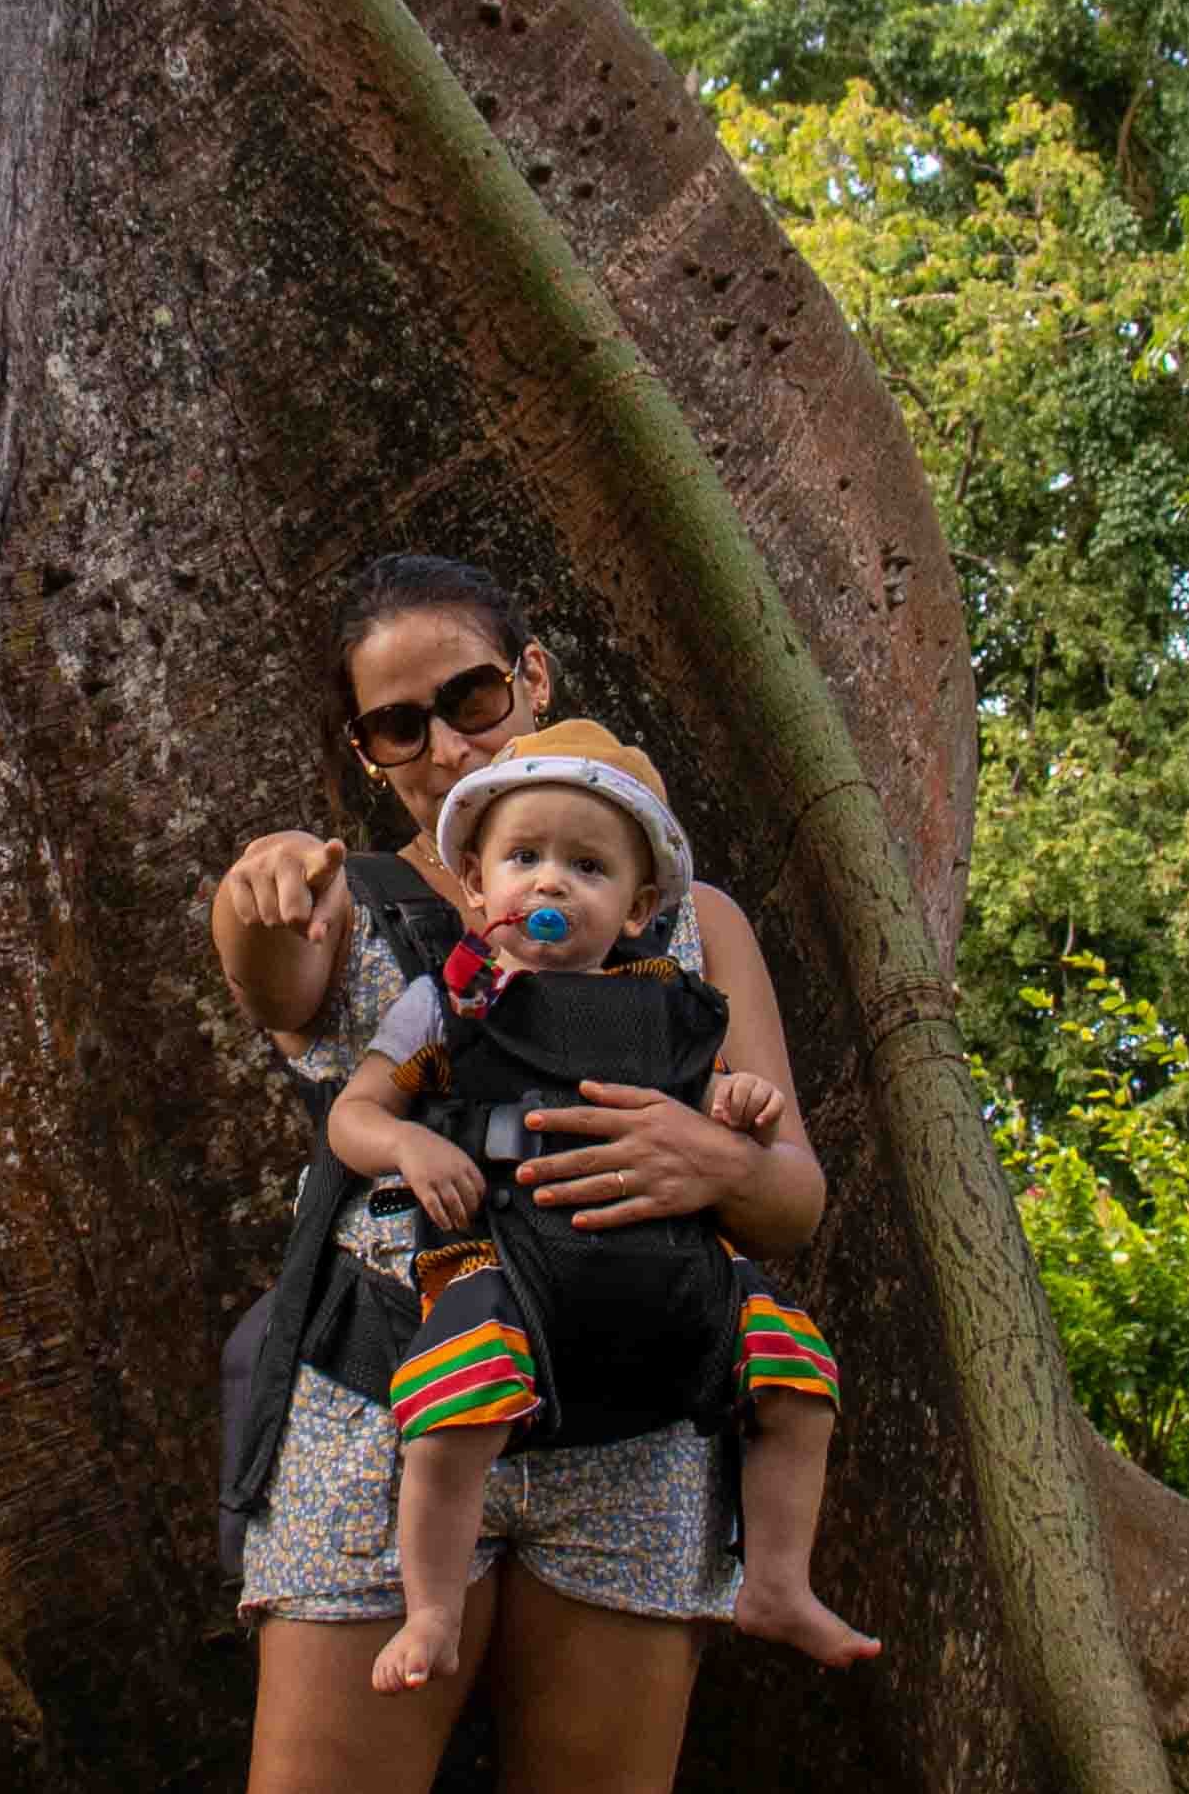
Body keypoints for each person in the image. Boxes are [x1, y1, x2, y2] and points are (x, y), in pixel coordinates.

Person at [152, 553, 870, 1794]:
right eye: (396, 725)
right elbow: (285, 997)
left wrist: (718, 1159)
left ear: (534, 672)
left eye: (467, 696)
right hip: (391, 1406)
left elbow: (796, 1198)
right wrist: (254, 912)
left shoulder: (687, 910)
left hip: (628, 1425)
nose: (440, 741)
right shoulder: (391, 909)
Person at [326, 715, 863, 1697]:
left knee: (796, 1372)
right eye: (524, 859)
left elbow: (721, 1105)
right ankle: (432, 1609)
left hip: (669, 1269)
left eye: (587, 867)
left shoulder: (673, 1005)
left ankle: (777, 1581)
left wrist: (740, 1107)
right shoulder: (450, 1002)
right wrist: (408, 1144)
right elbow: (353, 1116)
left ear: (637, 906)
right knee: (450, 1407)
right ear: (476, 881)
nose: (550, 885)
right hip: (507, 1265)